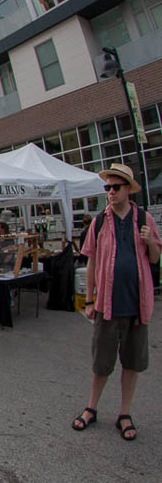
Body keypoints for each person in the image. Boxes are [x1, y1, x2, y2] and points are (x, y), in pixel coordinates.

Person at [73, 164, 161, 441]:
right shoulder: (100, 221)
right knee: (101, 364)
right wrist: (89, 299)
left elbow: (156, 260)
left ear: (127, 190)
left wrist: (151, 243)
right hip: (107, 305)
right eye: (107, 188)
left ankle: (124, 413)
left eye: (115, 188)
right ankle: (91, 407)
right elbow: (91, 263)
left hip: (137, 306)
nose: (110, 192)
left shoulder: (144, 219)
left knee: (132, 364)